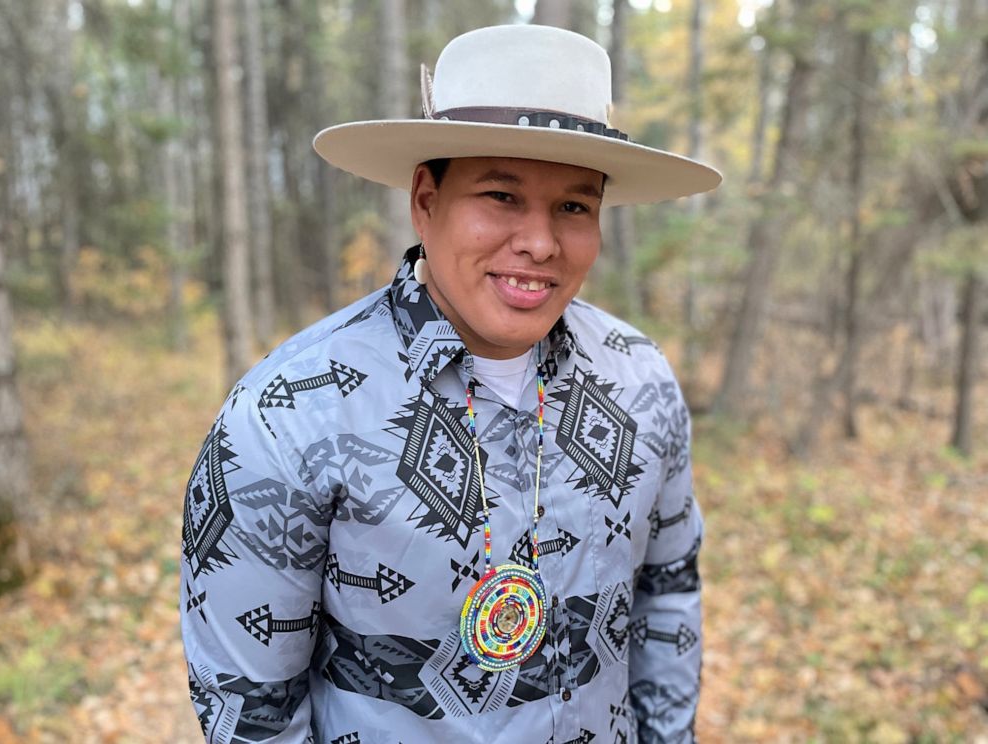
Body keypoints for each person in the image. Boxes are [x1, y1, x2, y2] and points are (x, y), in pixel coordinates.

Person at [181, 23, 720, 744]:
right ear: (426, 199)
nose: (540, 242)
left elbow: (668, 593)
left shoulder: (641, 379)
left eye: (574, 206)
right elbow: (250, 710)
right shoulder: (288, 418)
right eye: (501, 195)